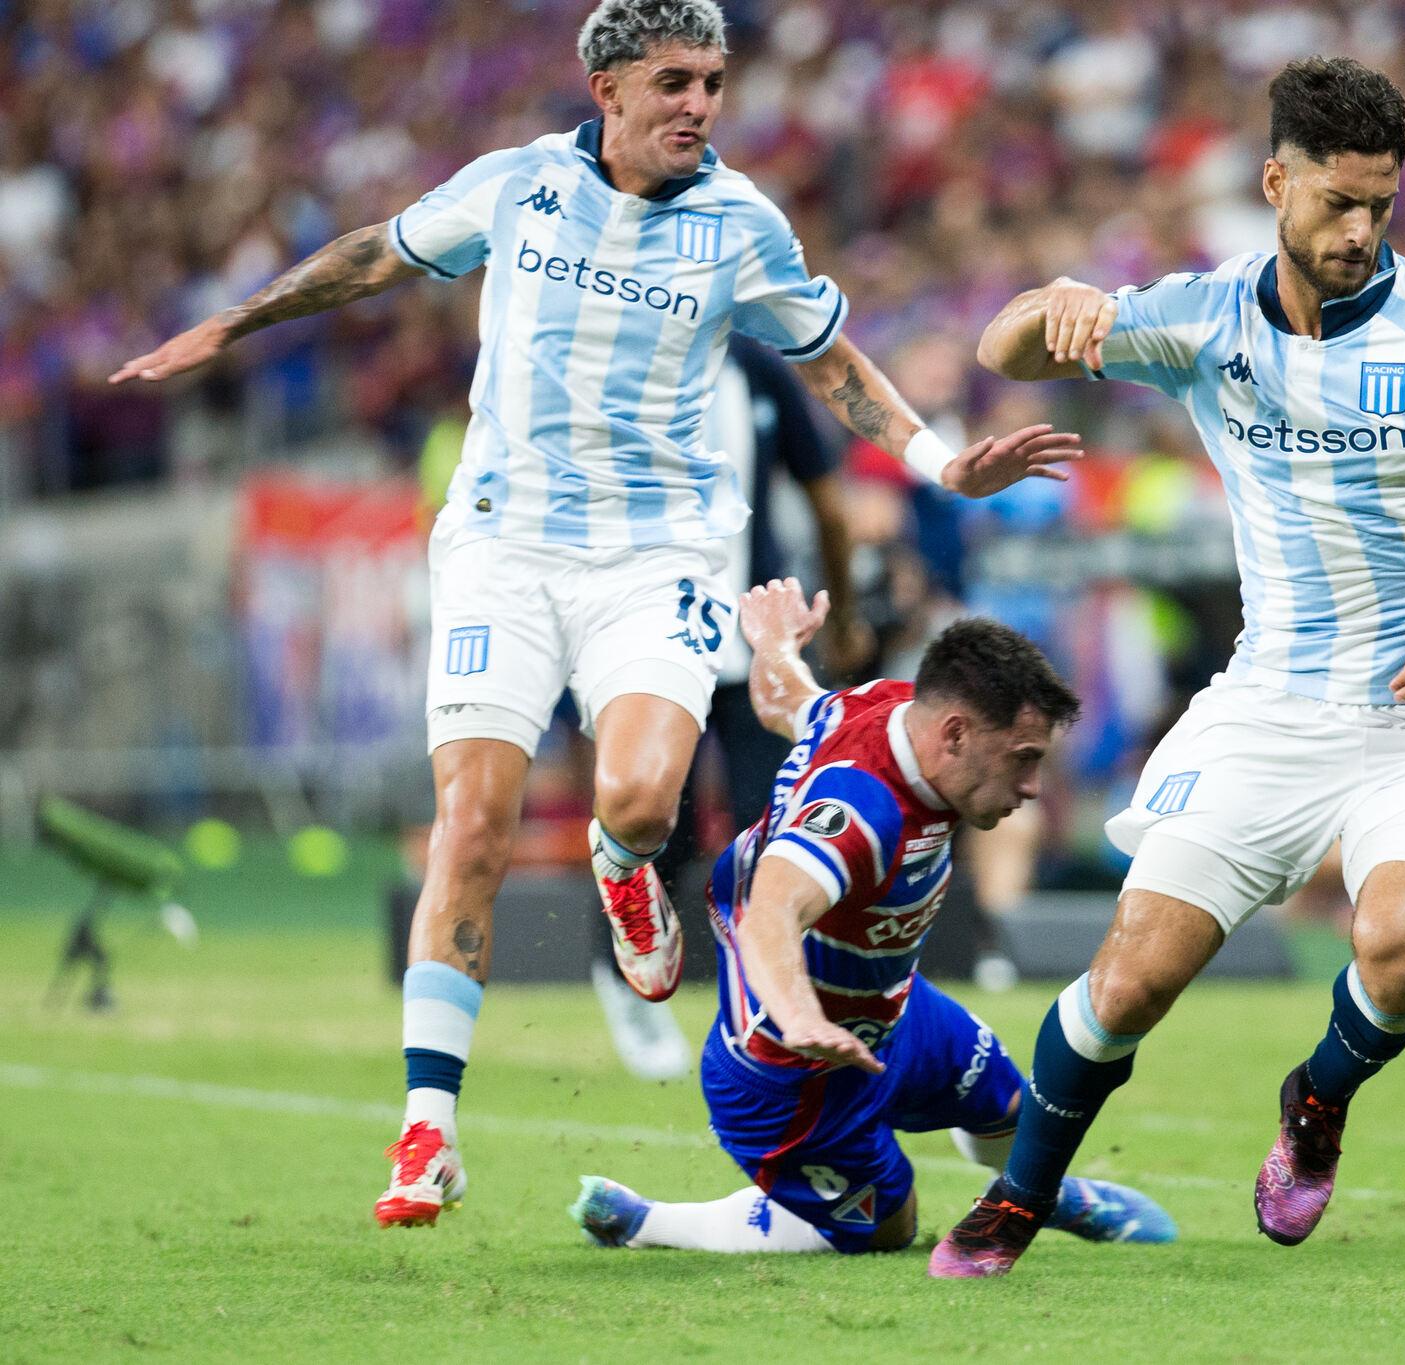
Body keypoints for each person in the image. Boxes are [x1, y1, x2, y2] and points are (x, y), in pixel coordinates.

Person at [109, 0, 1081, 1229]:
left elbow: (831, 361)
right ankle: (427, 1133)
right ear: (607, 86)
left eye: (714, 83)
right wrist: (232, 323)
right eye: (674, 81)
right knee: (470, 819)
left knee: (636, 798)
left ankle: (625, 861)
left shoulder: (742, 224)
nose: (699, 106)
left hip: (658, 551)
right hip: (502, 544)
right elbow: (375, 252)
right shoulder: (515, 187)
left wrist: (942, 465)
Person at [932, 58, 1405, 1278]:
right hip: (1267, 709)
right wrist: (1058, 299)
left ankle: (1318, 1096)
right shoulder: (1205, 318)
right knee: (1132, 976)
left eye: (1379, 207)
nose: (1357, 232)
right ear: (1272, 183)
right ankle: (1020, 1197)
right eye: (1334, 204)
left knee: (1402, 948)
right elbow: (1002, 349)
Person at [570, 578, 1176, 1254]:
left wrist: (774, 644)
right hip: (787, 1070)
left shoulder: (885, 707)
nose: (1031, 787)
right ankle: (649, 1221)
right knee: (891, 1227)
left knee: (1016, 1115)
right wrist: (799, 1015)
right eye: (1023, 760)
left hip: (888, 1007)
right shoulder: (864, 809)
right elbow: (768, 909)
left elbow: (787, 701)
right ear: (955, 734)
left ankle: (1045, 1195)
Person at [594, 334, 868, 1081]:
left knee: (774, 829)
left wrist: (839, 618)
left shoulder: (755, 369)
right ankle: (623, 981)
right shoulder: (620, 358)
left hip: (755, 633)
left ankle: (770, 1007)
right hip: (654, 632)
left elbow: (827, 501)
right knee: (654, 827)